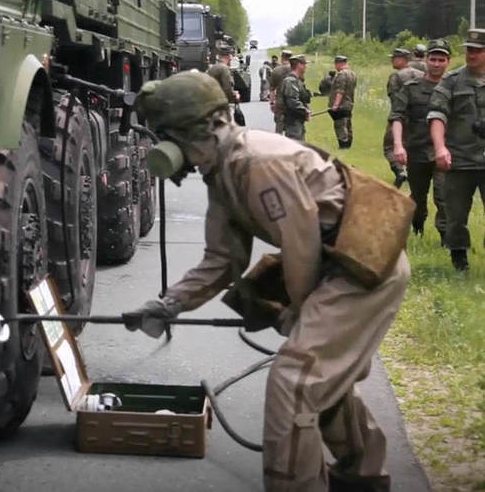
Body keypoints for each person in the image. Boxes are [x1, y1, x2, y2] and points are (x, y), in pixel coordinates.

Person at [126, 71, 411, 492]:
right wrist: (170, 303)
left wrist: (300, 310)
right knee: (319, 379)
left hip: (359, 268)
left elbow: (301, 244)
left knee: (295, 380)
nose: (161, 149)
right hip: (336, 264)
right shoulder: (222, 169)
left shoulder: (258, 163)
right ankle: (362, 476)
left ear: (199, 129)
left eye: (164, 136)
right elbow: (223, 258)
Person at [428, 28, 485, 271]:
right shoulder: (452, 81)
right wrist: (440, 148)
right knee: (455, 216)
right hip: (460, 159)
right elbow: (437, 115)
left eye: (477, 51)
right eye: (468, 51)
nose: (471, 55)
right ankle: (459, 259)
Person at [390, 39, 450, 244]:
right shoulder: (411, 87)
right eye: (433, 59)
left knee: (444, 197)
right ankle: (417, 229)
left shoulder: (453, 87)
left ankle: (447, 239)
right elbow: (397, 117)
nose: (436, 63)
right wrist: (398, 144)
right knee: (418, 198)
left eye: (441, 60)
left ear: (448, 62)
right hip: (417, 151)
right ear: (426, 60)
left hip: (444, 152)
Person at [385, 48, 423, 187]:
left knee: (389, 146)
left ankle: (400, 171)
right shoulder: (421, 74)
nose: (391, 60)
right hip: (418, 117)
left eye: (394, 58)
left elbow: (395, 98)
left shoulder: (396, 76)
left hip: (400, 116)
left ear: (402, 59)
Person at [207, 44, 246, 126]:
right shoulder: (224, 68)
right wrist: (235, 96)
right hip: (221, 105)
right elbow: (227, 88)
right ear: (229, 56)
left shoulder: (213, 68)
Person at [279, 54, 311, 141]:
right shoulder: (290, 81)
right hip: (292, 122)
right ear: (298, 65)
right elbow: (292, 101)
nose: (305, 66)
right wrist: (305, 111)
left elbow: (302, 98)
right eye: (304, 64)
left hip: (298, 121)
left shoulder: (297, 80)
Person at [328, 55, 357, 149]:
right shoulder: (352, 73)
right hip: (349, 103)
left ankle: (343, 145)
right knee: (347, 124)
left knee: (340, 125)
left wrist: (335, 105)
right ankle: (348, 143)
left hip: (341, 104)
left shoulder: (341, 75)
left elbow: (340, 91)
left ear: (338, 63)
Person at [269, 50, 292, 134]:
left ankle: (279, 144)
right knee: (292, 125)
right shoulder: (295, 70)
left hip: (280, 102)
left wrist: (272, 103)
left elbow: (271, 89)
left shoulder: (276, 70)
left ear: (282, 58)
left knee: (279, 125)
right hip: (293, 101)